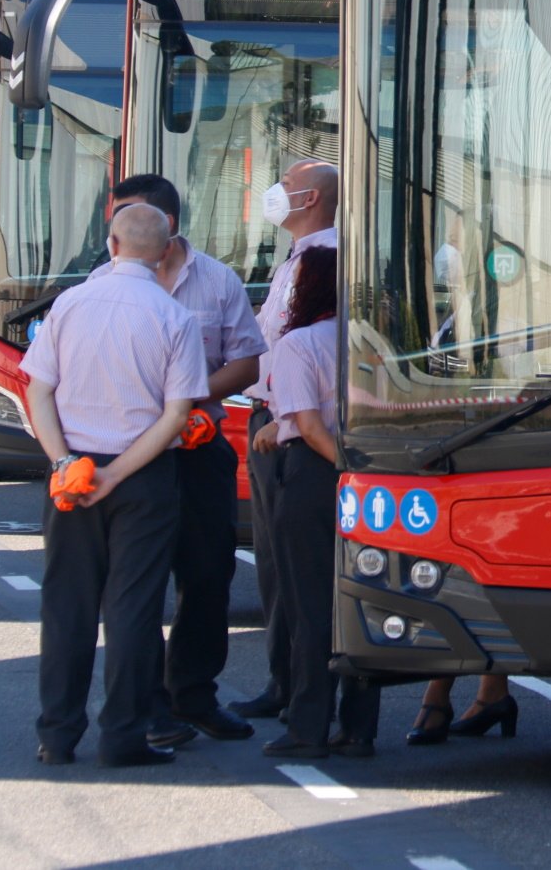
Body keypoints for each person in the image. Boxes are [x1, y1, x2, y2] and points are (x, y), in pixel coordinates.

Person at [23, 204, 209, 768]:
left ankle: (56, 735)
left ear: (111, 245)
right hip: (143, 475)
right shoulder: (175, 318)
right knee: (133, 608)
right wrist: (118, 473)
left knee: (67, 606)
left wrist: (63, 463)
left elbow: (38, 391)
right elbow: (178, 415)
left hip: (72, 473)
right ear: (166, 250)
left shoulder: (69, 304)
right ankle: (123, 735)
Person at [103, 175, 266, 748]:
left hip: (199, 447)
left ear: (167, 223)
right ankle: (148, 704)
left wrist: (188, 398)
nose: (118, 229)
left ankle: (194, 693)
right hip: (133, 454)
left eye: (129, 215)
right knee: (135, 583)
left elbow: (248, 364)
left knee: (208, 574)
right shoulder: (104, 284)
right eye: (116, 216)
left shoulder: (217, 280)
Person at [253, 245, 379, 757]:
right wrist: (363, 475)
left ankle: (308, 725)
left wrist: (338, 464)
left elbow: (306, 424)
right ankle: (359, 727)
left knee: (309, 608)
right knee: (365, 601)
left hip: (312, 477)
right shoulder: (370, 344)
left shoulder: (298, 344)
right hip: (372, 479)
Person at [228, 158, 340, 723]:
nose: (276, 193)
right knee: (273, 562)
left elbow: (296, 346)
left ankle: (299, 688)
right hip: (275, 416)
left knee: (294, 566)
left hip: (291, 424)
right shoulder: (296, 258)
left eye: (289, 185)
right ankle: (284, 680)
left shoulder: (324, 258)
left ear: (313, 199)